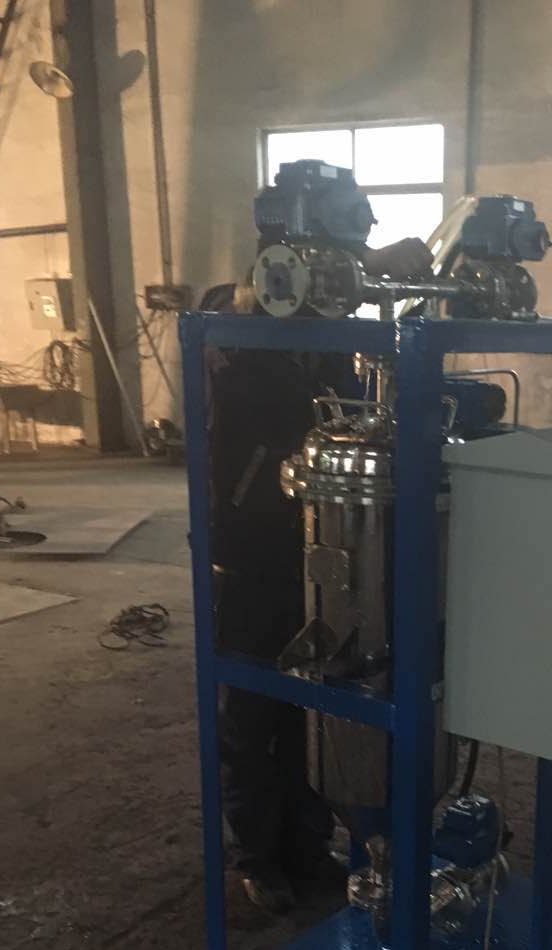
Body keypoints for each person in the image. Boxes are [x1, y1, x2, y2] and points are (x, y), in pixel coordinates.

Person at [210, 237, 432, 912]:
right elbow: (226, 305)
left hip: (321, 551)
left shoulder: (336, 346)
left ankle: (307, 845)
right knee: (251, 716)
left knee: (313, 705)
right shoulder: (237, 334)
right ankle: (257, 857)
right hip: (250, 555)